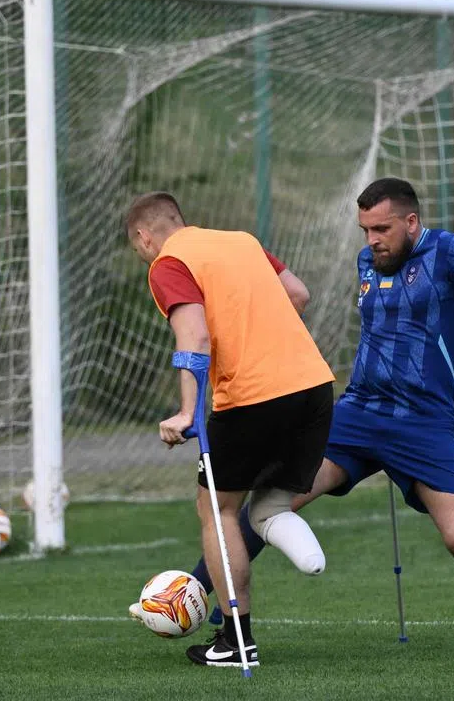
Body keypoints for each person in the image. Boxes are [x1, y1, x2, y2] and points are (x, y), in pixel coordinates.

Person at [186, 177, 454, 624]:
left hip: (423, 422)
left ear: (411, 220)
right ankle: (199, 594)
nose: (373, 240)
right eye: (366, 230)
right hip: (357, 413)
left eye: (382, 229)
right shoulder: (367, 261)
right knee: (271, 503)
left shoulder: (452, 252)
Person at [124, 191, 335, 668]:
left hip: (252, 397)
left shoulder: (167, 264)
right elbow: (298, 294)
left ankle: (236, 641)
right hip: (315, 387)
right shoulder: (240, 240)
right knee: (268, 504)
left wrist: (186, 411)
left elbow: (194, 337)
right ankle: (307, 555)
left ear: (144, 236)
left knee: (217, 510)